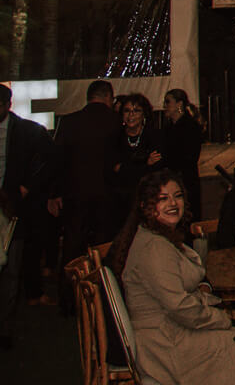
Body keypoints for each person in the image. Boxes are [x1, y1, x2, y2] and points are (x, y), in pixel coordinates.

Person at [109, 169, 235, 385]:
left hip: (173, 332)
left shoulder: (158, 237)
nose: (173, 203)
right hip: (166, 345)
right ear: (145, 206)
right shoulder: (154, 247)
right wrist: (220, 319)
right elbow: (179, 306)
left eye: (177, 196)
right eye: (163, 199)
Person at [49, 79, 121, 313]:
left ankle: (69, 301)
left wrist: (55, 194)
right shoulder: (116, 122)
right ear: (108, 97)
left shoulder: (69, 122)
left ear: (88, 97)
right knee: (104, 249)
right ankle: (105, 302)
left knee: (72, 249)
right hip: (107, 197)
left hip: (75, 196)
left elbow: (57, 162)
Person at [2, 83, 54, 349]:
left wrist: (27, 187)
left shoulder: (28, 132)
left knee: (12, 270)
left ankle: (4, 328)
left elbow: (48, 161)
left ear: (8, 105)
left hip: (13, 210)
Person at [159, 89, 203, 220]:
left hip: (186, 180)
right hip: (171, 179)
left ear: (179, 104)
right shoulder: (168, 127)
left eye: (168, 102)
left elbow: (190, 157)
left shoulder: (190, 126)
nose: (165, 106)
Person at [114, 93, 164, 212]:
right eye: (127, 111)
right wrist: (146, 164)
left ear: (144, 114)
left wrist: (126, 167)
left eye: (136, 111)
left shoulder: (155, 136)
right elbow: (114, 169)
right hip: (121, 199)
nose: (131, 115)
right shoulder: (114, 138)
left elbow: (156, 170)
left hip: (149, 196)